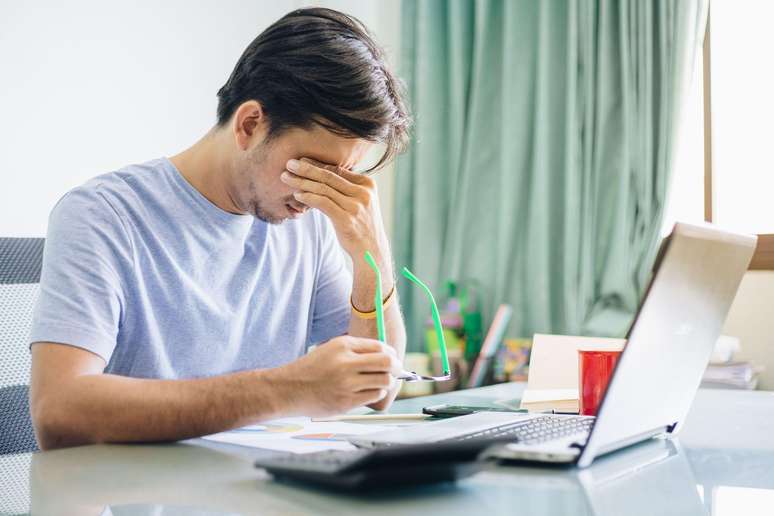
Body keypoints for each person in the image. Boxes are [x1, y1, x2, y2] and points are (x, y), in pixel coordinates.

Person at [29, 7, 411, 450]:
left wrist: (372, 251)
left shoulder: (308, 227)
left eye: (341, 176)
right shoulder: (104, 215)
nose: (316, 196)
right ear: (250, 124)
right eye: (313, 168)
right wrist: (288, 388)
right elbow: (59, 412)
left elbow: (381, 391)